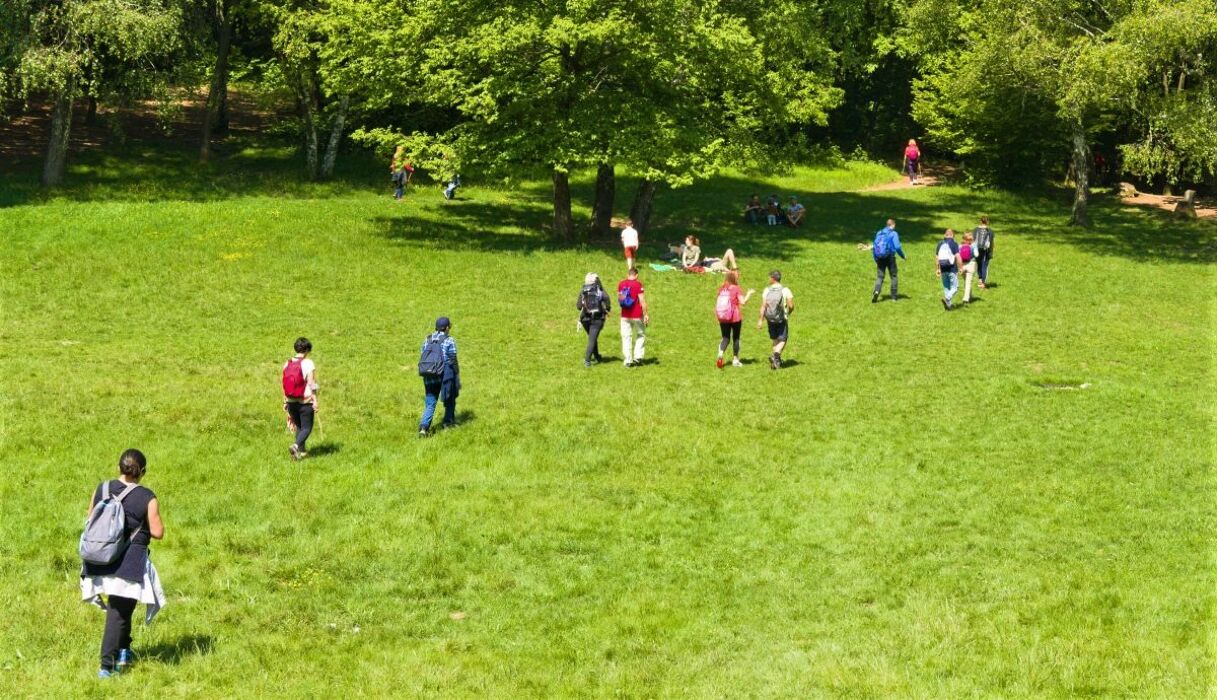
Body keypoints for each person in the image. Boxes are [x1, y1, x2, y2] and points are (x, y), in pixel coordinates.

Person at [80, 449, 165, 679]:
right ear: (143, 472)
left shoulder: (102, 489)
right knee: (118, 611)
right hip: (127, 564)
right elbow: (158, 532)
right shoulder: (147, 496)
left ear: (119, 468)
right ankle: (106, 667)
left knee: (123, 608)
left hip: (99, 559)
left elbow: (89, 520)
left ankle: (124, 652)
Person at [282, 337, 319, 461]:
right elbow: (311, 383)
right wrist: (315, 399)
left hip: (291, 401)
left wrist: (285, 401)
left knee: (299, 427)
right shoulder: (308, 363)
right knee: (307, 428)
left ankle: (301, 453)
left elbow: (284, 384)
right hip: (305, 401)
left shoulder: (287, 363)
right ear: (307, 349)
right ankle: (296, 446)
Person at [714, 270, 755, 368]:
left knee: (725, 338)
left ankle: (720, 353)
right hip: (735, 317)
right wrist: (749, 293)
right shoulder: (736, 288)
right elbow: (743, 302)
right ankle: (735, 360)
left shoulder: (722, 288)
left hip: (723, 317)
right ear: (734, 279)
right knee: (736, 338)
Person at [757, 269, 794, 369]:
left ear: (773, 279)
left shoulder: (767, 290)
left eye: (769, 277)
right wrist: (788, 313)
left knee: (775, 339)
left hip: (770, 318)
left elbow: (763, 306)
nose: (769, 279)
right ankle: (776, 356)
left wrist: (761, 320)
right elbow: (791, 306)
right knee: (783, 339)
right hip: (781, 318)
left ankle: (776, 361)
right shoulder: (785, 290)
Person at [576, 272, 611, 367]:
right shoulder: (600, 290)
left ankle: (597, 356)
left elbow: (579, 306)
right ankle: (587, 360)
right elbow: (607, 299)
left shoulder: (583, 290)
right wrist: (607, 309)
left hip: (584, 319)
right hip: (597, 319)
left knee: (592, 337)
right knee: (592, 339)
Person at [617, 267, 649, 367]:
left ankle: (628, 360)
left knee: (626, 337)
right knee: (641, 334)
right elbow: (642, 301)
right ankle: (638, 357)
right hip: (636, 315)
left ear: (628, 274)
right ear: (636, 275)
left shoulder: (621, 284)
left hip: (625, 315)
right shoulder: (638, 284)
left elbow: (620, 300)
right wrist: (646, 314)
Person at [871, 218, 907, 303]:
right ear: (893, 225)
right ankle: (894, 297)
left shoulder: (879, 233)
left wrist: (876, 259)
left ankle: (876, 291)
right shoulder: (894, 233)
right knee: (893, 276)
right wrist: (903, 256)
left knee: (880, 277)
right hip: (890, 257)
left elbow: (875, 247)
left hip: (880, 257)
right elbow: (897, 247)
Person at [934, 228, 962, 310]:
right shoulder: (954, 244)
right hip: (952, 269)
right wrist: (961, 267)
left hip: (943, 269)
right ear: (953, 235)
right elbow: (958, 256)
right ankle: (947, 298)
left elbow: (937, 258)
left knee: (946, 287)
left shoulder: (940, 244)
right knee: (955, 287)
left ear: (945, 235)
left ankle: (948, 306)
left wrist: (937, 269)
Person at [972, 215, 995, 288]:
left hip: (977, 250)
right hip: (986, 251)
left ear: (980, 221)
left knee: (979, 264)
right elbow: (991, 243)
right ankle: (983, 283)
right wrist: (991, 252)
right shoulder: (990, 231)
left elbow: (972, 241)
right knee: (984, 265)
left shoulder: (975, 230)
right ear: (988, 222)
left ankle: (980, 278)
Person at [959, 231, 978, 305]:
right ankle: (966, 299)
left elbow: (957, 256)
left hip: (962, 265)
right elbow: (976, 255)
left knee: (966, 281)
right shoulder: (973, 245)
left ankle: (970, 295)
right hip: (971, 264)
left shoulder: (960, 246)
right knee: (968, 282)